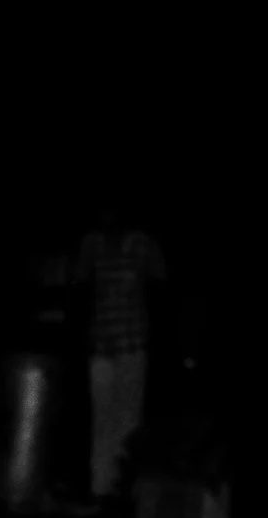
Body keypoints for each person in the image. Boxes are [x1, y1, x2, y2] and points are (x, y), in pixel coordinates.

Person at [73, 196, 168, 502]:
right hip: (101, 344)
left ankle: (123, 489)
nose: (107, 217)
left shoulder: (142, 243)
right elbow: (81, 287)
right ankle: (100, 488)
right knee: (102, 419)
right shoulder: (92, 243)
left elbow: (160, 286)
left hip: (133, 341)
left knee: (128, 419)